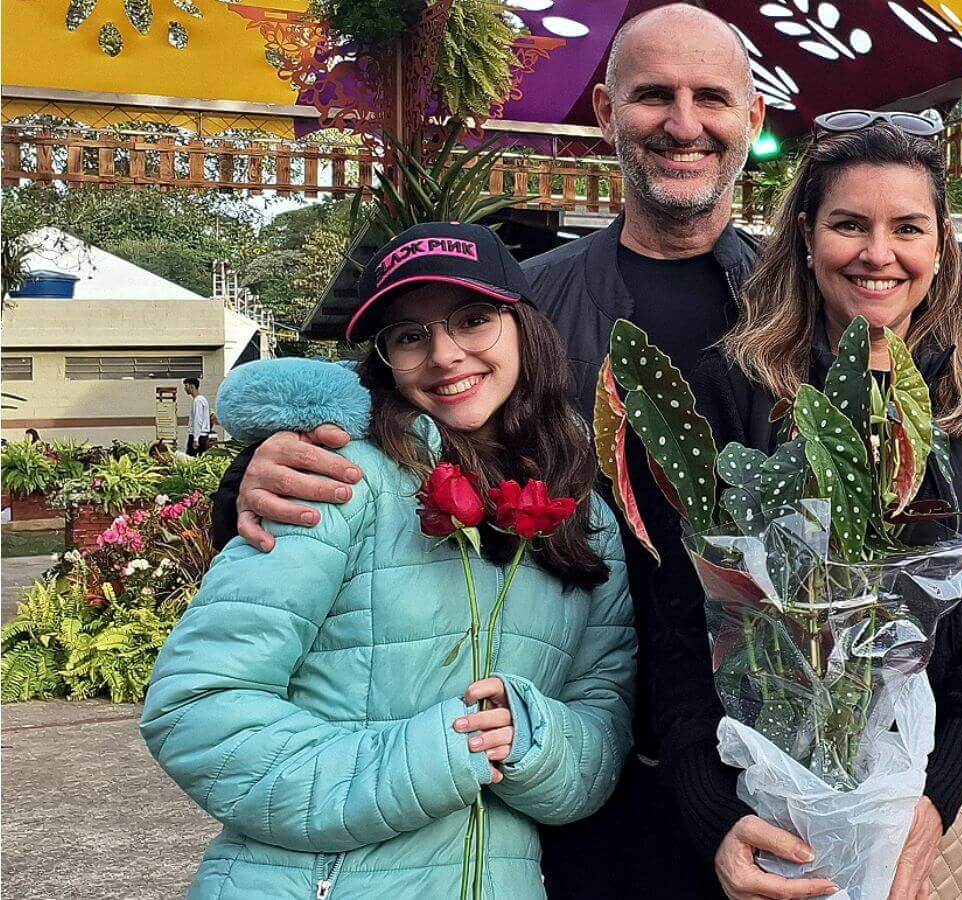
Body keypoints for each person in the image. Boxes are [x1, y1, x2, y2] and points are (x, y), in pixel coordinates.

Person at [202, 6, 763, 896]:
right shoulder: (515, 306)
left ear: (753, 120)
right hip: (556, 791)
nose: (683, 123)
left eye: (712, 98)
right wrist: (249, 475)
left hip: (759, 761)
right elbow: (385, 410)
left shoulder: (799, 305)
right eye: (654, 95)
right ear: (605, 111)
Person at [140, 223, 635, 897]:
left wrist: (536, 739)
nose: (444, 354)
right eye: (409, 335)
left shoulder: (583, 517)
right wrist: (430, 756)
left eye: (474, 319)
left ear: (524, 326)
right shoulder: (334, 482)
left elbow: (601, 727)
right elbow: (195, 708)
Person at [656, 114, 962, 900]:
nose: (878, 254)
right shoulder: (727, 394)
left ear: (940, 246)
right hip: (761, 823)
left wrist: (936, 797)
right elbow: (669, 623)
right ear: (806, 237)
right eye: (848, 225)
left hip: (927, 827)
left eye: (907, 228)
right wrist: (714, 816)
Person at [183, 377, 212, 454]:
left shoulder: (198, 401)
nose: (185, 389)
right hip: (202, 435)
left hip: (198, 436)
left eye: (186, 386)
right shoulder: (202, 399)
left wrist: (195, 439)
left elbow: (198, 420)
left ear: (192, 386)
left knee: (190, 460)